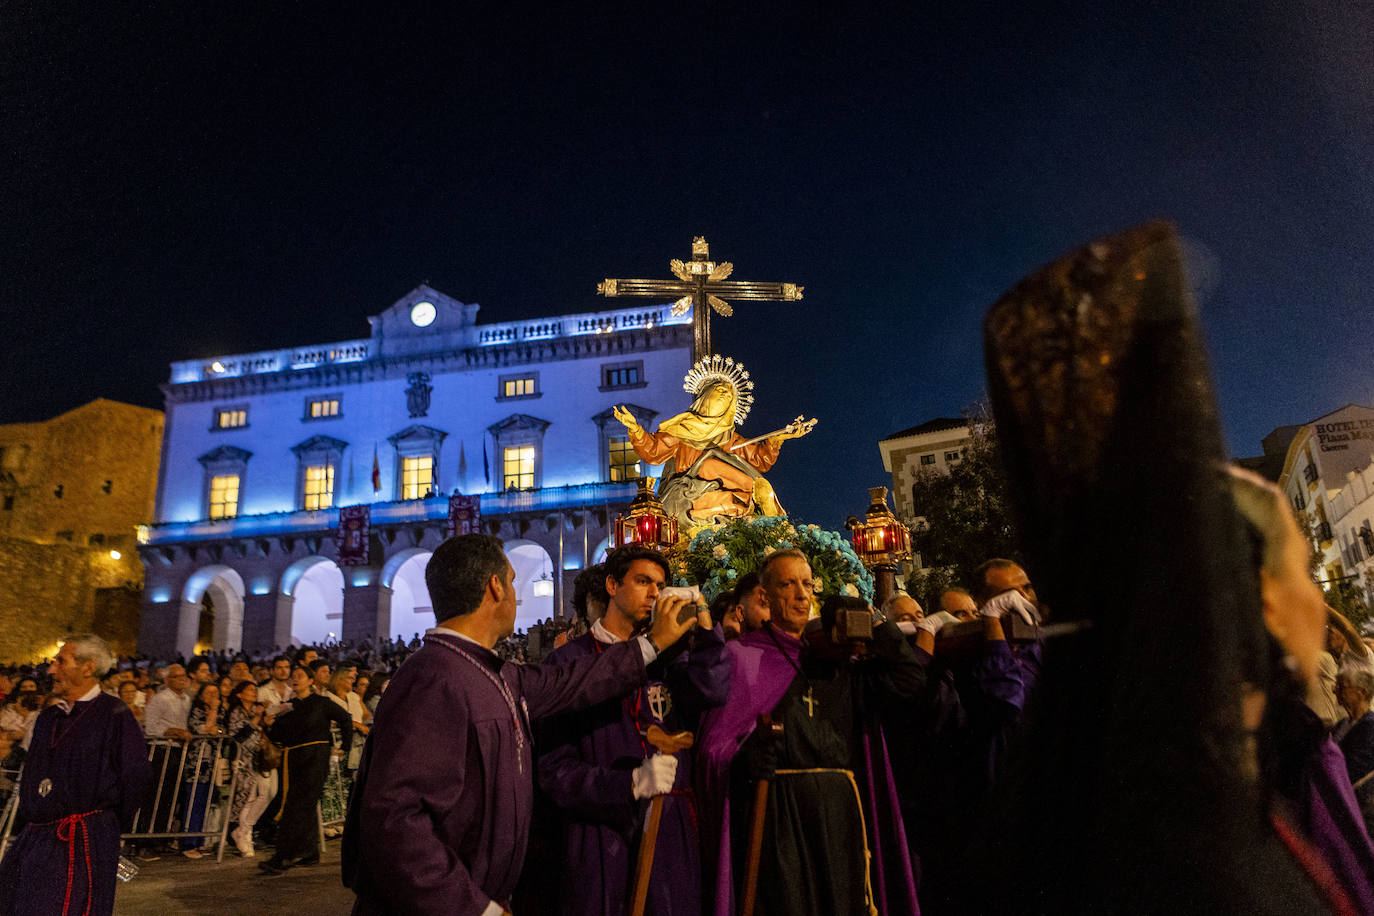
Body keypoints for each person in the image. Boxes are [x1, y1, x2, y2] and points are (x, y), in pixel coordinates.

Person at [343, 533, 702, 915]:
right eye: (513, 581)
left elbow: (571, 682)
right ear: (495, 587)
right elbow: (395, 822)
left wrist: (653, 644)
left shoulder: (488, 670)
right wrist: (473, 907)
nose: (516, 594)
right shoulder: (434, 678)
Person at [697, 549, 924, 916]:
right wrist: (744, 759)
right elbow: (713, 751)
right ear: (765, 598)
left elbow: (909, 683)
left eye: (807, 584)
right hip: (779, 815)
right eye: (788, 584)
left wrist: (875, 622)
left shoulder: (836, 660)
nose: (802, 594)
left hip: (841, 813)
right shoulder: (742, 657)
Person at [536, 545, 729, 916]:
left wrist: (705, 625)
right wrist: (628, 783)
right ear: (612, 585)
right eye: (643, 582)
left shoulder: (672, 659)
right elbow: (554, 771)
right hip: (603, 838)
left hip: (671, 834)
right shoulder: (569, 662)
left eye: (660, 585)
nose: (655, 593)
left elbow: (713, 690)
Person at [0, 635, 150, 916]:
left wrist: (105, 822)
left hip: (85, 836)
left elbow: (135, 776)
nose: (52, 669)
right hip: (38, 836)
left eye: (61, 661)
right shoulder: (48, 718)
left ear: (87, 667)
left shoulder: (114, 714)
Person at [611, 357, 811, 527]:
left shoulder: (728, 436)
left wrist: (777, 439)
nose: (726, 394)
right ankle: (756, 491)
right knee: (709, 463)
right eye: (721, 389)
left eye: (730, 395)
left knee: (734, 501)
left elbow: (759, 460)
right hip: (686, 493)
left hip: (717, 495)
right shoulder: (682, 429)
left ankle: (756, 496)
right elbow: (653, 452)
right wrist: (635, 429)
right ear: (705, 395)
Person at [260, 665, 353, 875]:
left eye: (300, 676)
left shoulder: (321, 703)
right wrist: (268, 725)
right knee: (303, 805)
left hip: (315, 757)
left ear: (311, 681)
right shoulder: (288, 706)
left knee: (297, 806)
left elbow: (346, 719)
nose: (295, 679)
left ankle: (283, 855)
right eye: (294, 676)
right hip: (293, 758)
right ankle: (310, 852)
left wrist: (343, 747)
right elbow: (278, 736)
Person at [225, 680, 273, 857]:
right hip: (243, 760)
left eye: (255, 689)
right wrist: (257, 719)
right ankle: (243, 835)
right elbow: (238, 735)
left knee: (265, 793)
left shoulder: (255, 710)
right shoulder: (237, 712)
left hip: (258, 759)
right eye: (250, 690)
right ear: (240, 694)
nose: (254, 692)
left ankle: (244, 828)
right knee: (248, 797)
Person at [1335, 667, 1374, 785]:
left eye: (1342, 687)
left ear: (1362, 692)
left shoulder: (1370, 725)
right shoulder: (1342, 723)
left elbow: (1355, 770)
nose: (1335, 691)